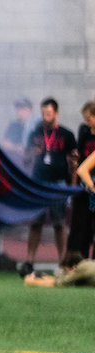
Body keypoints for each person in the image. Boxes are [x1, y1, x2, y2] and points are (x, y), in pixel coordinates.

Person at [23, 97, 77, 275]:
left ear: (56, 113)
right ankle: (29, 261)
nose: (45, 116)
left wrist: (72, 187)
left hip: (58, 184)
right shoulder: (35, 133)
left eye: (48, 113)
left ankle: (63, 262)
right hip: (38, 183)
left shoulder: (67, 135)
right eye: (43, 113)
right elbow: (25, 161)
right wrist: (32, 152)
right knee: (36, 223)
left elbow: (74, 162)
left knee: (59, 224)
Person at [67, 101, 95, 259]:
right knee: (79, 225)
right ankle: (74, 262)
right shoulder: (84, 130)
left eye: (89, 118)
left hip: (91, 183)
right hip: (85, 185)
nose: (86, 121)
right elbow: (81, 166)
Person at [23, 251, 95, 287]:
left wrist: (33, 281)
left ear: (73, 266)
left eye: (65, 270)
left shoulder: (80, 268)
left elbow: (61, 283)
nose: (65, 272)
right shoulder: (88, 262)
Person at [3, 96, 35, 168]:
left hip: (29, 164)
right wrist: (16, 148)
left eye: (20, 108)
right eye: (17, 108)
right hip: (14, 163)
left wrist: (27, 150)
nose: (17, 110)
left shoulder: (35, 126)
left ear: (28, 110)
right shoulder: (13, 125)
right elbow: (5, 144)